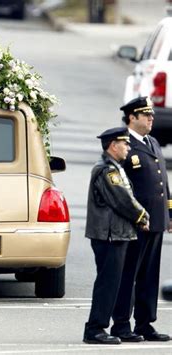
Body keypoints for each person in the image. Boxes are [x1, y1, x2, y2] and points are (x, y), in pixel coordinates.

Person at [111, 96, 172, 342]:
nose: (151, 118)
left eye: (151, 115)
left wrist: (169, 213)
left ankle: (145, 323)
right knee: (129, 275)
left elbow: (163, 183)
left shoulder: (153, 142)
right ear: (132, 118)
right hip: (135, 222)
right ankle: (122, 325)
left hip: (156, 220)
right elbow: (121, 189)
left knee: (149, 276)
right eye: (145, 115)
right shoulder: (124, 146)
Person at [83, 127, 150, 345]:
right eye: (125, 144)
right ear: (113, 145)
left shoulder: (114, 168)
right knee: (108, 283)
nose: (128, 148)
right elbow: (122, 199)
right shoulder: (106, 171)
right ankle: (95, 329)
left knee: (121, 283)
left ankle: (120, 327)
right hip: (109, 235)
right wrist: (141, 216)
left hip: (119, 234)